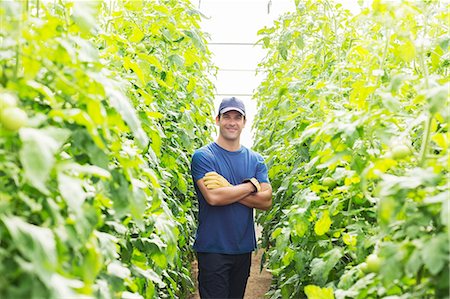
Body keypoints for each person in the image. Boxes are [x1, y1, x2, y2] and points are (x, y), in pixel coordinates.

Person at [190, 96, 273, 299]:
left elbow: (266, 201)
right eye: (227, 116)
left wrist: (228, 188)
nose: (232, 122)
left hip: (242, 248)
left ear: (244, 122)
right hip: (213, 249)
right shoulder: (203, 156)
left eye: (238, 117)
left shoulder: (256, 160)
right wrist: (251, 186)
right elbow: (214, 198)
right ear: (217, 120)